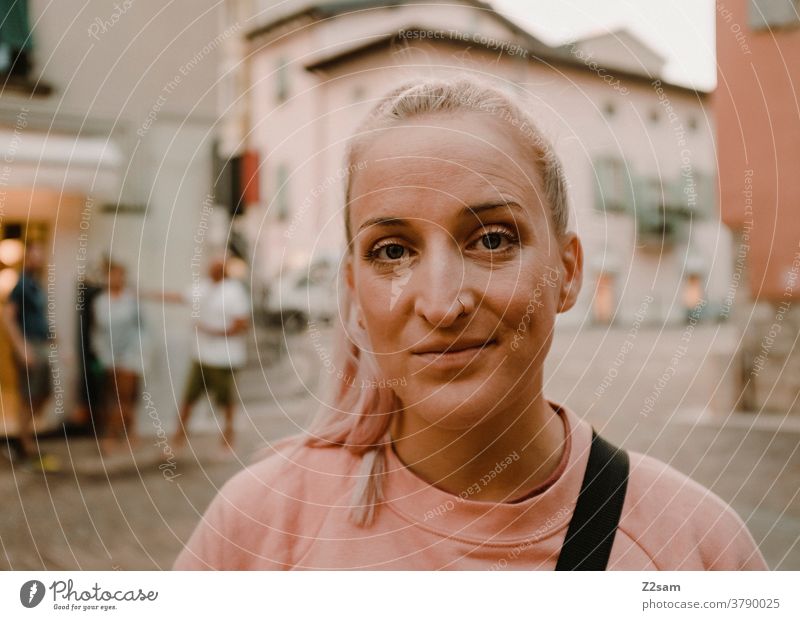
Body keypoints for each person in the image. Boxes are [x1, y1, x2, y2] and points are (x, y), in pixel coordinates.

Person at [174, 75, 767, 570]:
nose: (440, 303)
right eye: (391, 251)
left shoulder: (697, 547)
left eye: (491, 239)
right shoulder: (255, 531)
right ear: (353, 292)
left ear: (567, 271)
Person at [171, 256, 249, 454]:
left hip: (224, 358)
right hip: (201, 356)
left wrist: (209, 330)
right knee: (189, 399)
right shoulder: (203, 288)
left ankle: (228, 439)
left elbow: (241, 324)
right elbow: (179, 297)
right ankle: (178, 439)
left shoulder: (234, 292)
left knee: (226, 402)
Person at [1, 241, 61, 472]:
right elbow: (8, 317)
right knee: (28, 395)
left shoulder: (36, 283)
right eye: (35, 254)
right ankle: (23, 445)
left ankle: (22, 439)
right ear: (27, 257)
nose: (39, 258)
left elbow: (38, 317)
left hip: (41, 345)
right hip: (29, 346)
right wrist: (21, 347)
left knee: (45, 393)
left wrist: (54, 340)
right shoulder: (22, 283)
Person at [92, 260, 146, 455]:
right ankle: (125, 433)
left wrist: (139, 352)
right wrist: (101, 354)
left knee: (125, 395)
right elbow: (98, 331)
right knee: (114, 396)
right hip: (108, 356)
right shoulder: (100, 302)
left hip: (130, 355)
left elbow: (142, 328)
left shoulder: (131, 301)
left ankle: (115, 435)